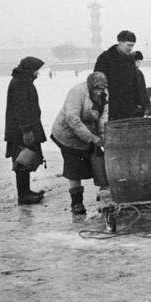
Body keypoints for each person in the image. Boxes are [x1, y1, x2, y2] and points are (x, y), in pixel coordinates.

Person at [50, 72, 109, 215]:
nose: (99, 92)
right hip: (67, 134)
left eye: (102, 89)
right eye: (96, 88)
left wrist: (102, 136)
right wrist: (91, 138)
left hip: (87, 130)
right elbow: (72, 119)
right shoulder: (77, 92)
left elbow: (103, 117)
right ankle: (76, 202)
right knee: (74, 168)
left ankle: (105, 196)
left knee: (99, 163)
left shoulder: (105, 95)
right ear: (90, 86)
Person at [4, 56, 47, 205]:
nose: (37, 73)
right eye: (36, 70)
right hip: (20, 130)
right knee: (22, 161)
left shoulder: (23, 81)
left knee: (25, 159)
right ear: (29, 70)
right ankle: (23, 195)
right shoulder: (19, 84)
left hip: (24, 127)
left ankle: (26, 191)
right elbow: (20, 109)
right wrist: (26, 131)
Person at [94, 30, 144, 120]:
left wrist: (138, 103)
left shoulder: (130, 60)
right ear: (120, 42)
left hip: (128, 107)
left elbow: (135, 83)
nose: (131, 48)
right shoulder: (105, 58)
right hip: (110, 106)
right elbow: (97, 82)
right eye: (129, 45)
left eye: (133, 45)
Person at [132, 51, 151, 116]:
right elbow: (142, 91)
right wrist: (148, 106)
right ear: (137, 61)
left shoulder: (122, 72)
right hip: (137, 108)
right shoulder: (138, 73)